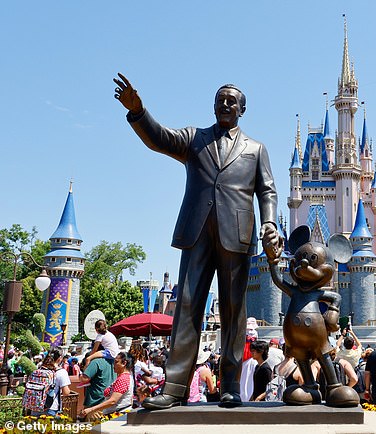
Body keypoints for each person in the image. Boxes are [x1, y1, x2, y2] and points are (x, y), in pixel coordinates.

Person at [113, 73, 282, 410]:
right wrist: (138, 112)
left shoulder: (255, 149)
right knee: (188, 307)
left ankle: (231, 387)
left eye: (232, 101)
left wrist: (270, 222)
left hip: (237, 234)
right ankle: (175, 388)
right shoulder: (194, 139)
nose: (225, 104)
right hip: (197, 231)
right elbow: (159, 138)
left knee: (234, 313)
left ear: (242, 110)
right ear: (213, 105)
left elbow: (267, 190)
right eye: (221, 99)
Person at [80, 352, 135, 419]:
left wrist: (91, 409)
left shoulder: (123, 379)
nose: (113, 365)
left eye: (116, 362)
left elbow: (113, 401)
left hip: (117, 416)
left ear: (124, 363)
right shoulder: (126, 377)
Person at [28, 348, 71, 417]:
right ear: (59, 358)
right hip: (51, 407)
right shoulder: (61, 372)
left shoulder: (40, 369)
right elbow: (66, 392)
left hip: (36, 405)